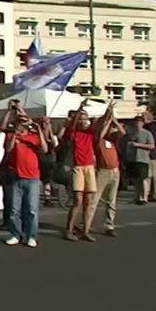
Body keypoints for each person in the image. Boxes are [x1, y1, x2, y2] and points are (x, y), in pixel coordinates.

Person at [0, 101, 48, 247]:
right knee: (14, 210)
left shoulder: (33, 137)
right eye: (19, 122)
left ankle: (31, 235)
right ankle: (16, 234)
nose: (21, 125)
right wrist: (15, 134)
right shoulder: (12, 136)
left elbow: (44, 149)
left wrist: (39, 129)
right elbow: (8, 149)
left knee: (31, 210)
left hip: (32, 177)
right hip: (16, 177)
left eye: (23, 122)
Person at [62, 99, 106, 242]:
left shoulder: (90, 134)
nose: (83, 121)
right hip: (78, 167)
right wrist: (80, 107)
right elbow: (72, 125)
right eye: (81, 119)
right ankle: (68, 230)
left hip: (89, 167)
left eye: (85, 119)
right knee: (77, 200)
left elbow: (101, 124)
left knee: (88, 200)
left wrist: (108, 112)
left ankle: (85, 230)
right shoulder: (74, 133)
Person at [86, 100, 124, 237]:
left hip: (115, 171)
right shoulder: (98, 139)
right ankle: (87, 225)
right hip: (103, 171)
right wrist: (108, 117)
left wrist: (114, 120)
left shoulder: (112, 140)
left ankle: (109, 225)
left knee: (111, 200)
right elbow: (101, 132)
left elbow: (122, 132)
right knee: (94, 199)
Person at [124, 114, 156, 205]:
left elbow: (152, 146)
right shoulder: (130, 133)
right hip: (132, 159)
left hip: (143, 159)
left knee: (143, 179)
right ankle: (137, 197)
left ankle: (144, 198)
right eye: (136, 122)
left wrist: (138, 145)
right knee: (135, 179)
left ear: (142, 123)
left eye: (139, 122)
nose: (137, 124)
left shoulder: (147, 133)